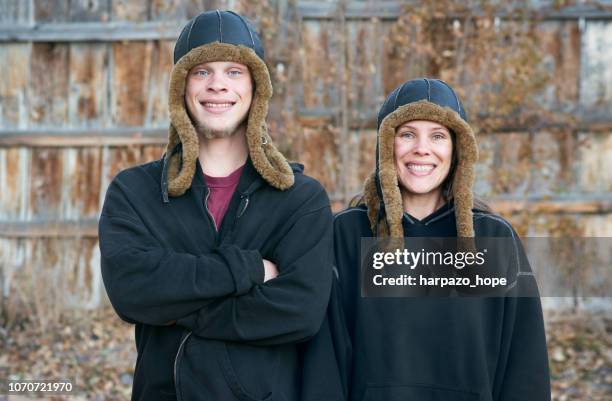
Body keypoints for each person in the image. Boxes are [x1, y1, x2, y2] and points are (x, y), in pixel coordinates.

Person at [99, 10, 338, 401]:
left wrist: (178, 309)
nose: (217, 86)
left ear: (256, 87)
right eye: (202, 72)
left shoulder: (299, 199)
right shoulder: (136, 191)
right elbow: (131, 290)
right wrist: (249, 269)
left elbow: (301, 310)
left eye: (234, 72)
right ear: (182, 87)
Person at [334, 78, 551, 400]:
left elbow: (524, 361)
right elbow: (326, 355)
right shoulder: (348, 233)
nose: (422, 148)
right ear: (385, 146)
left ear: (457, 148)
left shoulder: (492, 238)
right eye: (407, 134)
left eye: (438, 136)